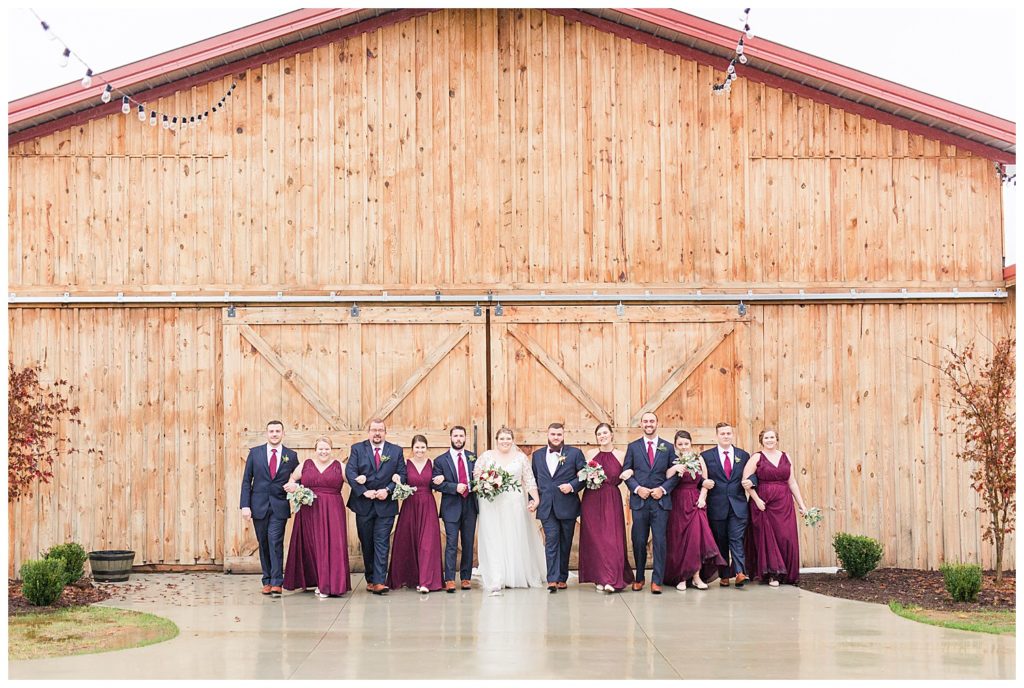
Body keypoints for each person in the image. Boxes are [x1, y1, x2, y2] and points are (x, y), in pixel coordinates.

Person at [474, 426, 547, 595]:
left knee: (514, 535)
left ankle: (515, 575)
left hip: (514, 502)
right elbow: (477, 477)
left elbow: (529, 480)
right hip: (491, 503)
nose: (505, 441)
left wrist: (535, 499)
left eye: (508, 438)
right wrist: (486, 485)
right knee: (494, 537)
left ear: (512, 440)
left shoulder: (521, 458)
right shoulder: (486, 456)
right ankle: (497, 577)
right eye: (502, 438)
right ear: (496, 440)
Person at [282, 436, 351, 597]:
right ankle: (316, 580)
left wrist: (362, 481)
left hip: (332, 510)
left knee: (332, 545)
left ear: (331, 450)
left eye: (327, 449)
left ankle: (329, 584)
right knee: (312, 545)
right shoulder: (305, 465)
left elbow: (353, 482)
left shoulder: (339, 466)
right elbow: (292, 479)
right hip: (309, 511)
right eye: (320, 449)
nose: (324, 452)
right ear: (315, 450)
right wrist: (295, 488)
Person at [344, 418, 407, 595]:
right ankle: (371, 578)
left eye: (380, 430)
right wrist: (363, 491)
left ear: (385, 432)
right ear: (369, 432)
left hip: (385, 504)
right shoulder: (357, 449)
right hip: (363, 504)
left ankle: (380, 581)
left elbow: (403, 474)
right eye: (374, 430)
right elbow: (350, 472)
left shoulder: (395, 451)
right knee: (367, 542)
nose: (377, 433)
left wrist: (388, 489)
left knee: (382, 541)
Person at [621, 412, 679, 594]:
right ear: (641, 424)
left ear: (657, 423)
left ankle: (657, 580)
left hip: (660, 502)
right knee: (638, 541)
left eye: (651, 421)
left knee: (660, 542)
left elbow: (675, 473)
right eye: (645, 421)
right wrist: (638, 489)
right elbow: (626, 472)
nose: (648, 424)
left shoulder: (668, 447)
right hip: (640, 501)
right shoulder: (633, 447)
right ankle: (639, 578)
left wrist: (662, 489)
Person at [741, 428, 808, 586]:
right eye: (766, 438)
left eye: (772, 437)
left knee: (785, 536)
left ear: (777, 439)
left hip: (784, 503)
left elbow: (792, 482)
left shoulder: (785, 456)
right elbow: (745, 481)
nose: (769, 440)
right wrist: (756, 500)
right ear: (761, 440)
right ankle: (773, 574)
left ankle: (787, 573)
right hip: (764, 504)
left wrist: (802, 505)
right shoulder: (757, 457)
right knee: (768, 537)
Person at [239, 420, 297, 596]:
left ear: (283, 433)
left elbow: (298, 478)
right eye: (271, 431)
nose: (274, 434)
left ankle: (277, 581)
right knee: (263, 543)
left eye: (277, 431)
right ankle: (267, 580)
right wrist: (245, 505)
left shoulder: (291, 455)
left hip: (279, 505)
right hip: (259, 506)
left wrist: (295, 486)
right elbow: (246, 481)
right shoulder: (255, 453)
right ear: (267, 433)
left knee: (275, 541)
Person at [663, 430, 725, 590]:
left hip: (695, 501)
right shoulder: (672, 459)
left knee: (696, 540)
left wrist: (703, 498)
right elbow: (666, 477)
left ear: (691, 443)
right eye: (680, 444)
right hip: (677, 503)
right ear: (675, 445)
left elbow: (705, 481)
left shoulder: (699, 459)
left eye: (686, 443)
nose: (683, 447)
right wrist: (676, 467)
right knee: (679, 541)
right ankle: (682, 577)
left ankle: (697, 577)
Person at [578, 423, 635, 592]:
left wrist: (630, 473)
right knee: (595, 539)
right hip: (592, 498)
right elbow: (583, 475)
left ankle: (612, 578)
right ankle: (599, 578)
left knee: (611, 539)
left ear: (611, 435)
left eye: (605, 433)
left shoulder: (621, 455)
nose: (602, 436)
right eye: (599, 434)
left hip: (611, 497)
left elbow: (631, 472)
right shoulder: (590, 454)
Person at [529, 423, 585, 593]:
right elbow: (533, 480)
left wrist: (572, 485)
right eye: (553, 434)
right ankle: (552, 579)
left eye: (559, 434)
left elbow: (584, 475)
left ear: (563, 435)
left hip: (567, 504)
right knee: (551, 540)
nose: (555, 437)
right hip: (547, 506)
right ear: (547, 435)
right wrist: (532, 499)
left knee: (565, 542)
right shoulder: (537, 455)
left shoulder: (574, 453)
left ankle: (562, 577)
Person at [387, 435, 443, 593]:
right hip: (410, 504)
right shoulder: (406, 463)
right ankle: (409, 577)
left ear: (427, 448)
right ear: (412, 449)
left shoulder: (432, 463)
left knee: (427, 543)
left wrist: (439, 479)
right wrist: (397, 478)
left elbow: (435, 482)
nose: (420, 450)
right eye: (417, 447)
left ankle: (426, 582)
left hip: (427, 504)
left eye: (422, 447)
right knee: (407, 541)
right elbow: (402, 479)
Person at [700, 422, 754, 587]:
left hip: (738, 505)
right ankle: (724, 575)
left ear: (732, 435)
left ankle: (739, 572)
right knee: (720, 540)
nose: (726, 436)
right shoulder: (706, 456)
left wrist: (751, 481)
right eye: (722, 433)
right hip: (717, 505)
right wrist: (704, 482)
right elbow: (700, 478)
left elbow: (753, 474)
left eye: (728, 433)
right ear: (717, 435)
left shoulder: (743, 455)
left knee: (736, 538)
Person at [430, 426, 478, 592]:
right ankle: (449, 579)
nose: (458, 438)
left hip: (470, 505)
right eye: (456, 436)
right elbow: (435, 483)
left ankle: (465, 578)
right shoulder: (441, 460)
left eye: (461, 436)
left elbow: (479, 477)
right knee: (451, 543)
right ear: (450, 437)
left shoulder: (472, 457)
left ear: (465, 438)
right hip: (451, 507)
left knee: (468, 543)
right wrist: (453, 487)